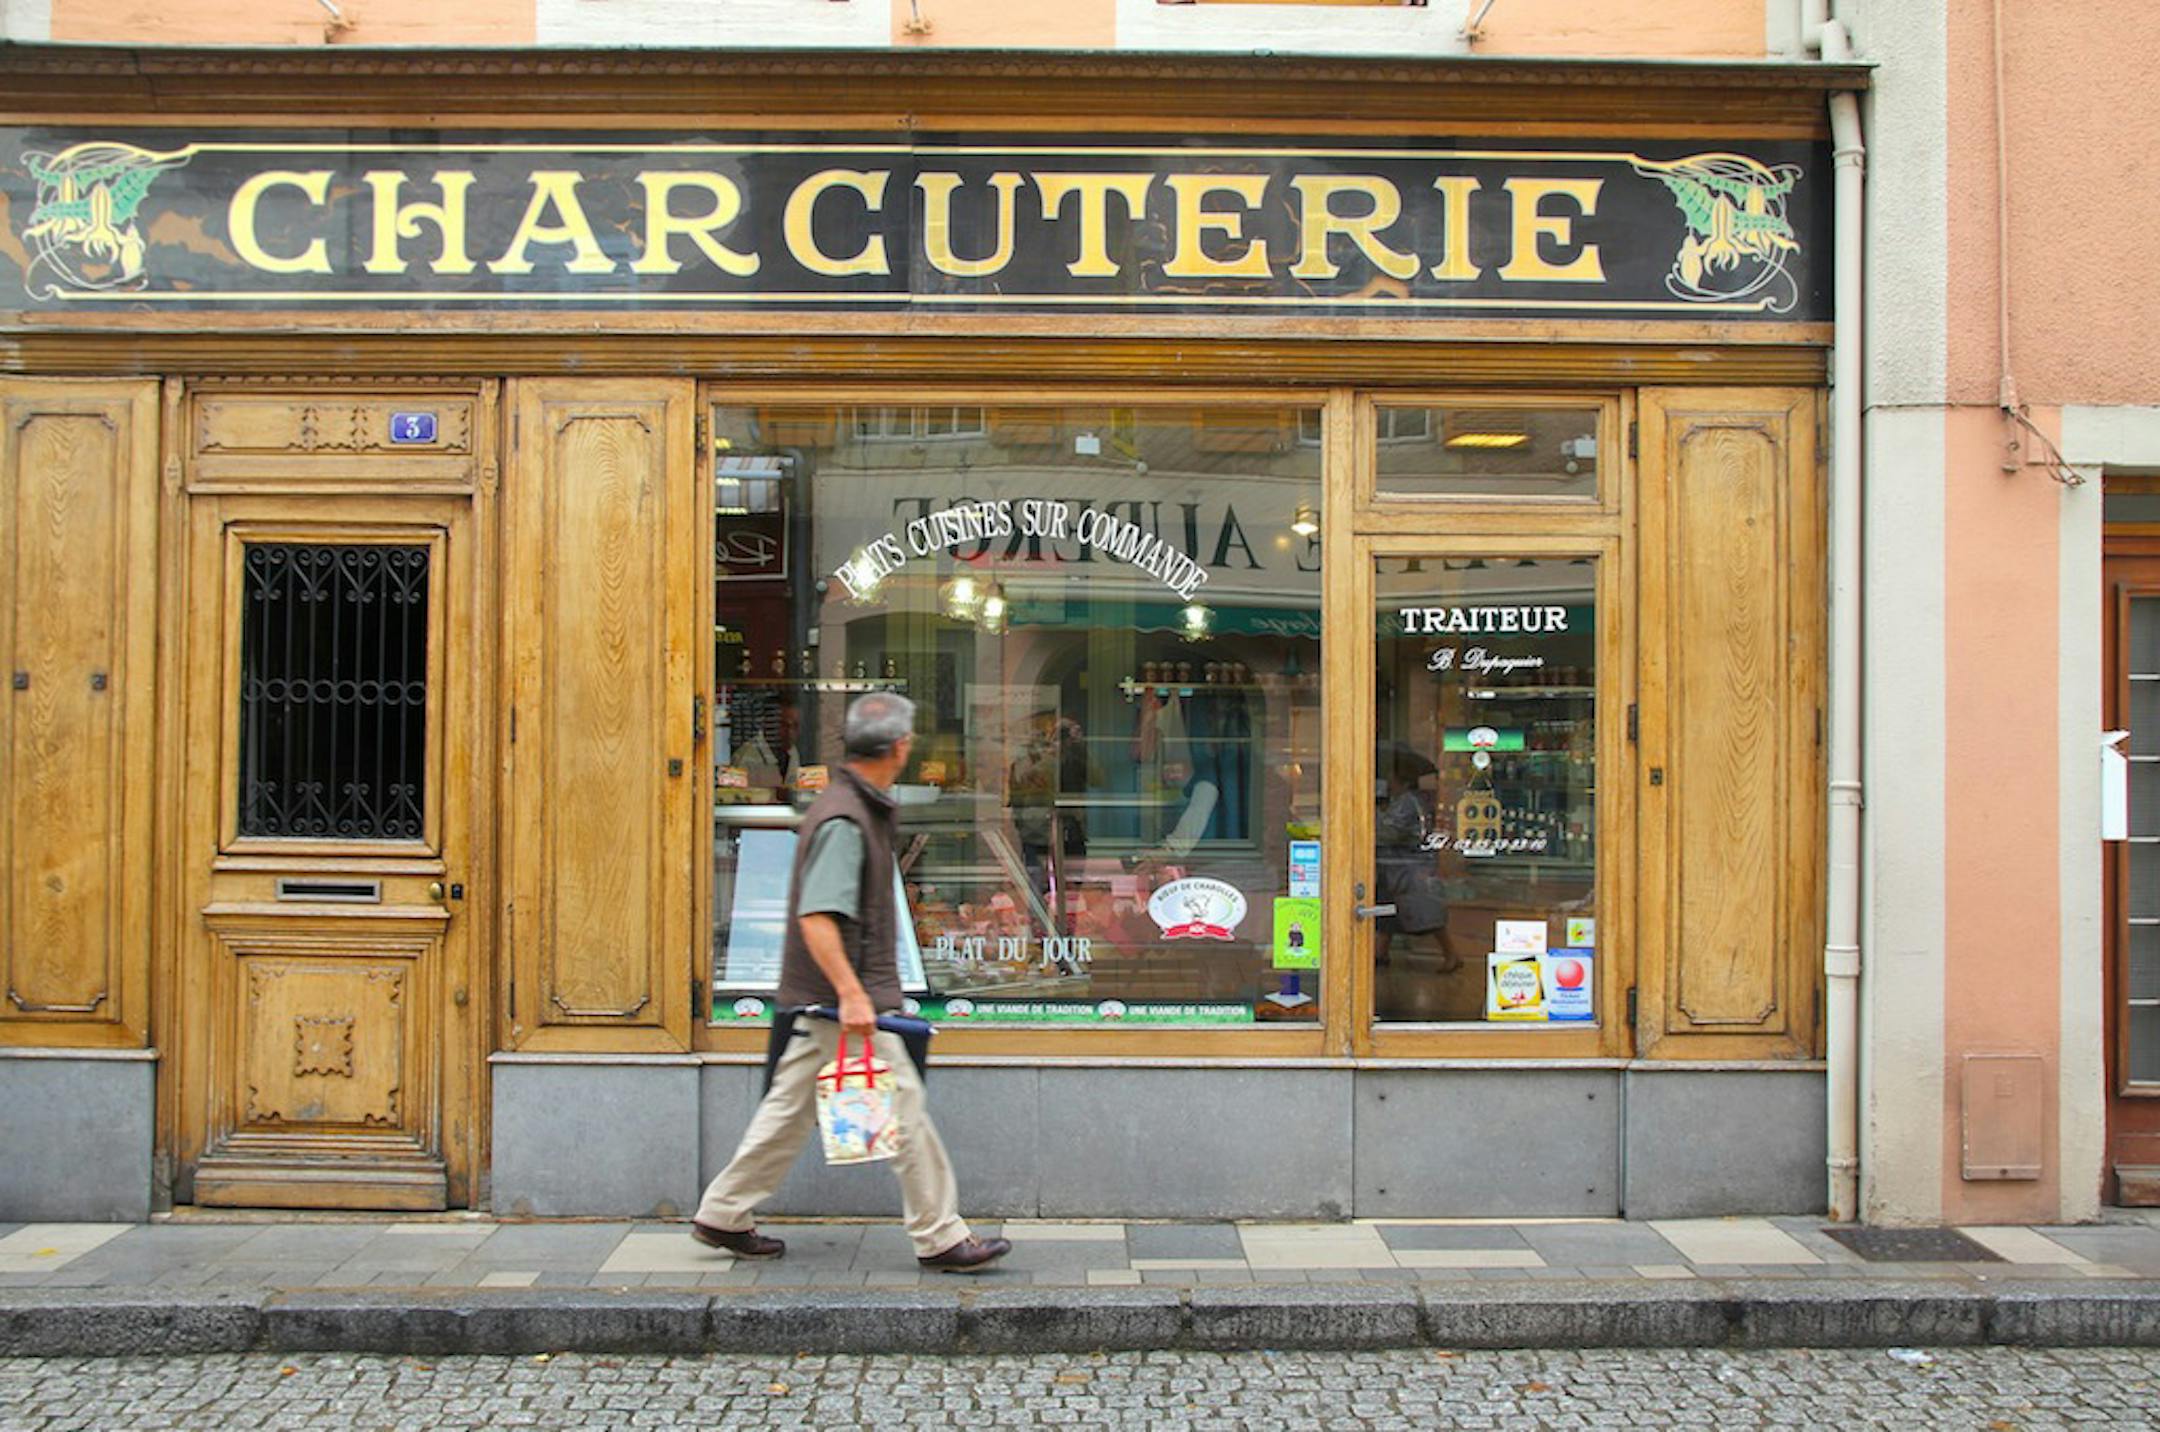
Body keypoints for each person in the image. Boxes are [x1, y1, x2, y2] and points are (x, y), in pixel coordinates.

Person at [691, 691, 1012, 1273]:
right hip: (842, 1000)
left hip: (823, 1000)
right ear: (901, 747)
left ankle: (724, 1211)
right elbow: (818, 917)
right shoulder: (846, 817)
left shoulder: (852, 804)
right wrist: (853, 993)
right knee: (903, 1105)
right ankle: (940, 1234)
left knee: (789, 1110)